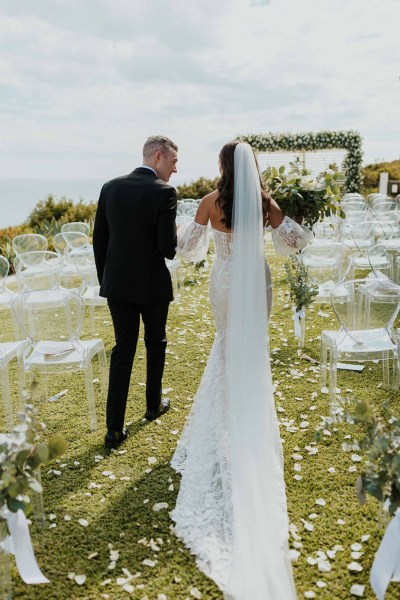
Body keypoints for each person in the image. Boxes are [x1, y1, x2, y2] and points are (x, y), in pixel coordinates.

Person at [171, 141, 313, 599]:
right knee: (250, 351)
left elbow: (187, 250)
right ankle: (246, 418)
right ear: (253, 169)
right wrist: (276, 215)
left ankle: (227, 418)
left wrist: (183, 227)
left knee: (228, 350)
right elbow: (296, 242)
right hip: (257, 284)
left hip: (227, 284)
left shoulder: (211, 202)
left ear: (222, 166)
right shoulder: (264, 203)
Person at [93, 135, 178, 450]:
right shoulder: (164, 192)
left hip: (117, 285)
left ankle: (113, 430)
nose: (175, 170)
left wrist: (108, 280)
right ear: (158, 157)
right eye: (173, 162)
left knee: (123, 350)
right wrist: (174, 233)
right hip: (153, 285)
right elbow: (167, 250)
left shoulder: (110, 187)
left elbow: (99, 240)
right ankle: (153, 406)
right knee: (156, 342)